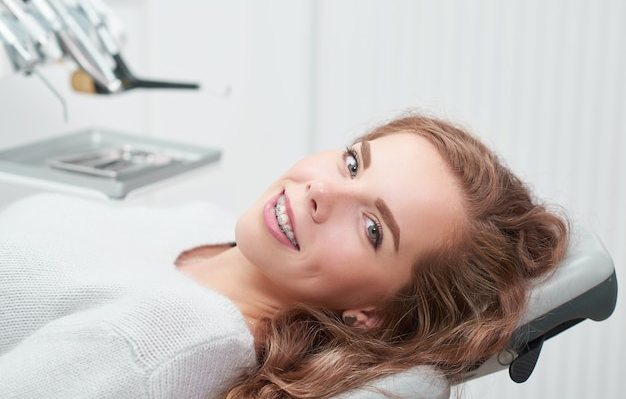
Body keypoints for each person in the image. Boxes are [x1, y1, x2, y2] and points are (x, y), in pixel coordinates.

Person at [0, 113, 568, 399]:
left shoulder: (156, 343)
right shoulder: (216, 229)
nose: (324, 191)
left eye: (372, 228)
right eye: (352, 163)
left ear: (372, 312)